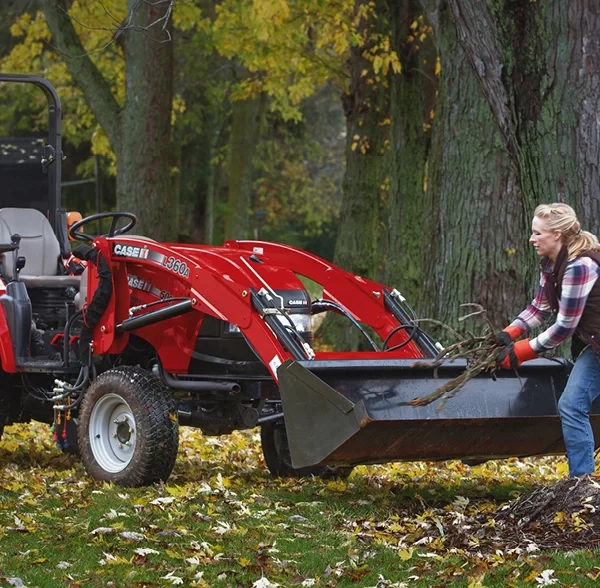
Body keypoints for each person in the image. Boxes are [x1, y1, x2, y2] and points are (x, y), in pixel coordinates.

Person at [496, 202, 600, 477]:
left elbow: (565, 326)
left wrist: (524, 351)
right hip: (596, 344)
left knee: (572, 404)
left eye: (537, 233)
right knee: (574, 404)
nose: (531, 239)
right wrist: (510, 332)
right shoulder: (551, 265)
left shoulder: (580, 266)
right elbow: (538, 308)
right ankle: (583, 484)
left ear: (557, 234)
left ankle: (581, 486)